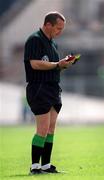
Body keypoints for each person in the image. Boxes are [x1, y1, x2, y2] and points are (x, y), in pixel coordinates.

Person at [24, 11, 76, 175]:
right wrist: (56, 64)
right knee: (42, 129)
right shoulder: (35, 40)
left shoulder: (53, 43)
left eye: (62, 29)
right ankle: (35, 167)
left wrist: (63, 65)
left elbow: (54, 66)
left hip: (53, 88)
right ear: (48, 25)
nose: (59, 32)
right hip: (39, 88)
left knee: (51, 129)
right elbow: (35, 64)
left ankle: (46, 165)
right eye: (58, 28)